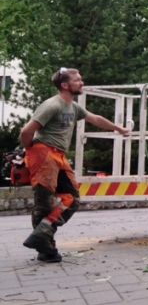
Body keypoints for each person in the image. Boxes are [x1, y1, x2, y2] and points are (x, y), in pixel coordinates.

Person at [19, 67, 131, 263]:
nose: (81, 83)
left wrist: (117, 128)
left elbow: (94, 118)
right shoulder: (51, 106)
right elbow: (25, 132)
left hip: (58, 156)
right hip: (43, 153)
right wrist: (31, 151)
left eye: (80, 80)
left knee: (72, 198)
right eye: (77, 80)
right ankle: (46, 250)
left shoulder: (73, 107)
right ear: (64, 85)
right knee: (44, 203)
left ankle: (42, 234)